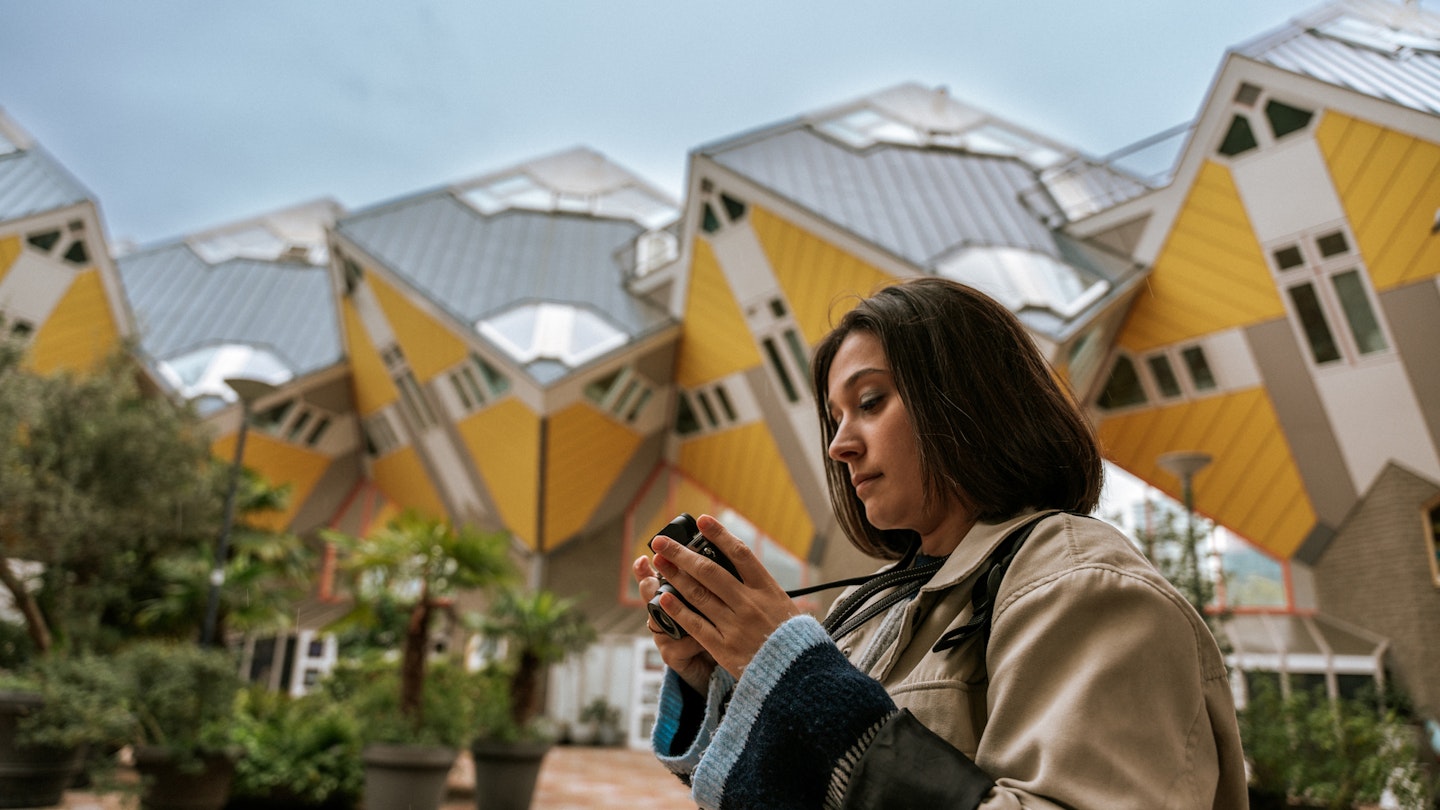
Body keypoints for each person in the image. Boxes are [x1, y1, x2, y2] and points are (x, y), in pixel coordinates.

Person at [633, 277, 1248, 809]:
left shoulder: (1085, 587)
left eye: (869, 401)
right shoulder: (876, 606)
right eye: (836, 418)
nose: (838, 445)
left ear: (969, 401)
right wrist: (722, 670)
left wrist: (793, 675)